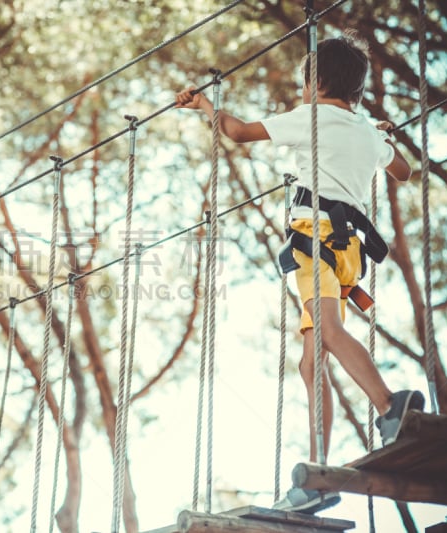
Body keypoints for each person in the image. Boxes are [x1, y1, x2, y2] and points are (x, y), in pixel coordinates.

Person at [176, 31, 424, 514]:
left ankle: (390, 405)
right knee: (312, 362)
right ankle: (319, 475)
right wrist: (380, 135)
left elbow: (238, 130)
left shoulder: (310, 116)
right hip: (348, 248)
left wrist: (206, 105)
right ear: (355, 88)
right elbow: (405, 171)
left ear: (316, 82)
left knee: (327, 335)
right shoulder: (366, 130)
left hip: (315, 239)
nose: (301, 93)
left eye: (303, 84)